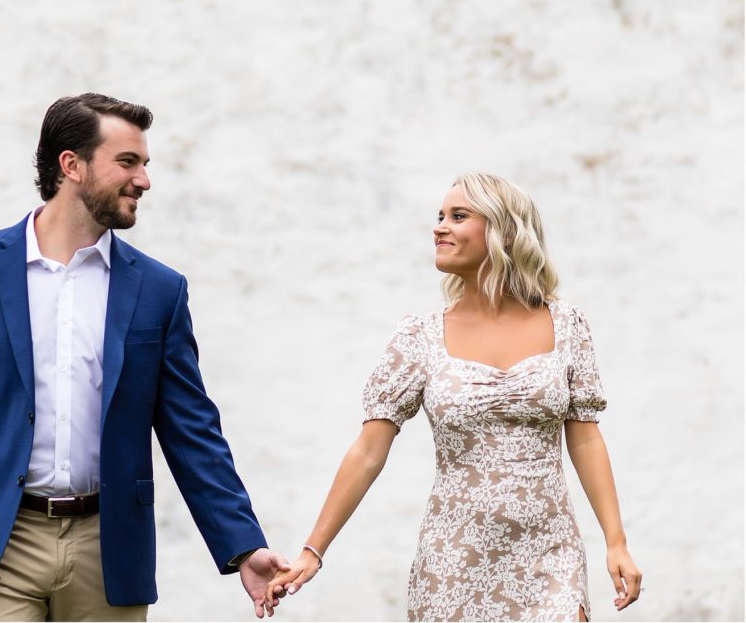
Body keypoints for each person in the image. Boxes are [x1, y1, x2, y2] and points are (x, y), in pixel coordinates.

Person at [0, 93, 289, 622]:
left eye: (145, 164)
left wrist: (242, 544)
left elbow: (192, 430)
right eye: (127, 162)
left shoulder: (159, 290)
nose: (144, 180)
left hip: (108, 551)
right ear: (71, 165)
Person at [265, 173, 642, 621]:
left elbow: (585, 438)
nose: (439, 227)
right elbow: (368, 451)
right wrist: (313, 550)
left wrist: (616, 542)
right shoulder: (419, 337)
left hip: (551, 558)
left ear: (504, 231)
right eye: (440, 216)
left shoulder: (568, 326)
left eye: (458, 216)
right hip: (452, 564)